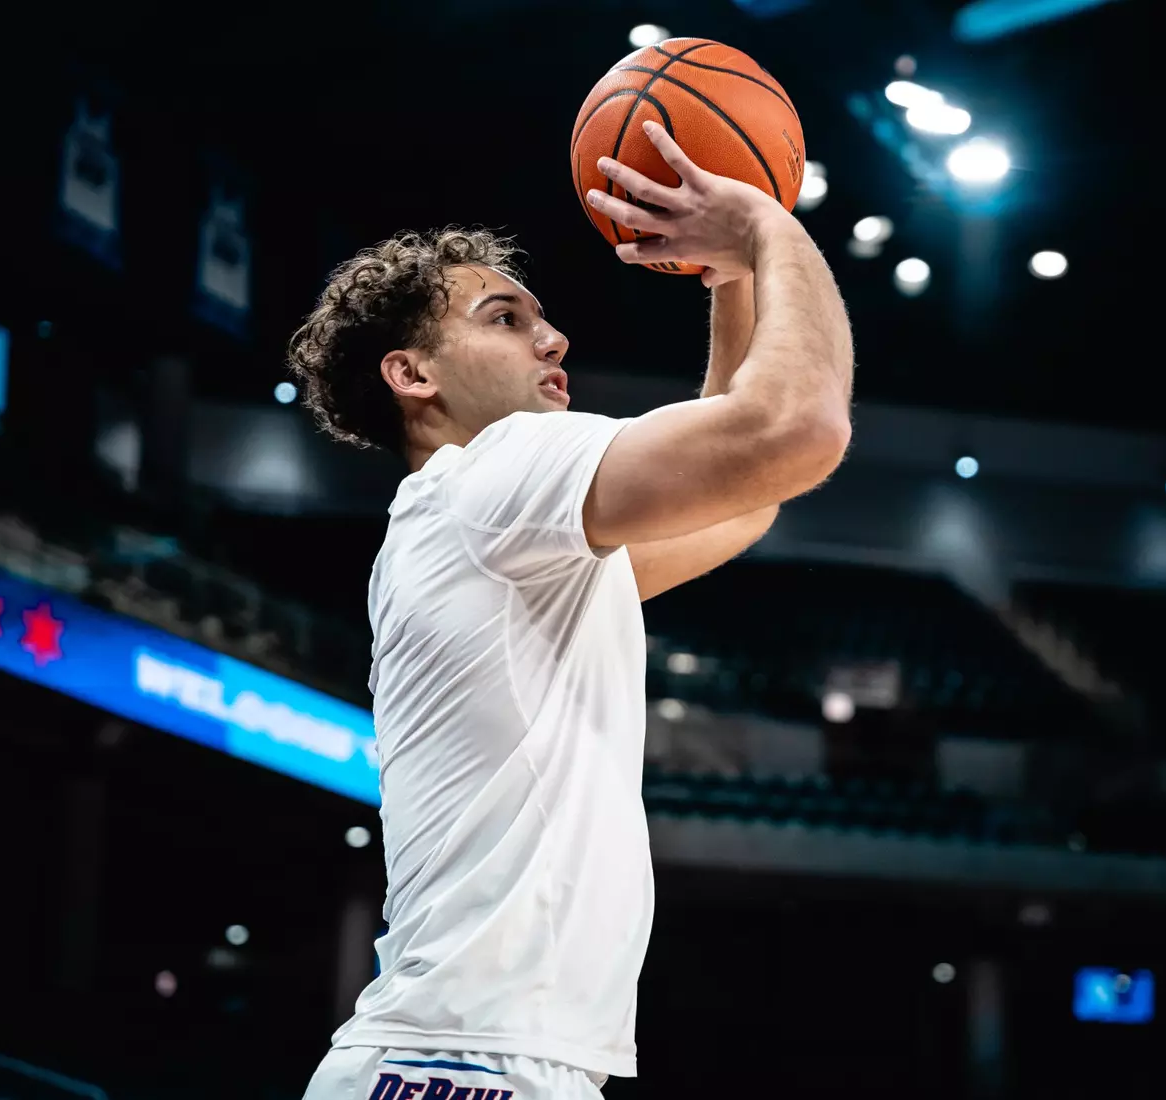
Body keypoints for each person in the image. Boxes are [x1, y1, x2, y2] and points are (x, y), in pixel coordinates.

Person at [290, 121, 854, 1099]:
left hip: (476, 1060)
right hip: (462, 1062)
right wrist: (765, 221)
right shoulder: (491, 476)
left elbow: (743, 493)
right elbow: (796, 430)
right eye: (504, 318)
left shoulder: (486, 532)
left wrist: (728, 280)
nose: (553, 338)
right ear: (412, 375)